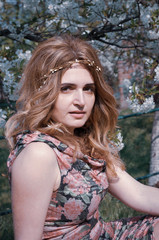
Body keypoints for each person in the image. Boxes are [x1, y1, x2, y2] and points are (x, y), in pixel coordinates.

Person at [5, 34, 159, 240]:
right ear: (44, 91)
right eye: (66, 88)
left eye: (88, 89)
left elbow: (140, 195)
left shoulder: (83, 141)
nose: (81, 101)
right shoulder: (39, 154)